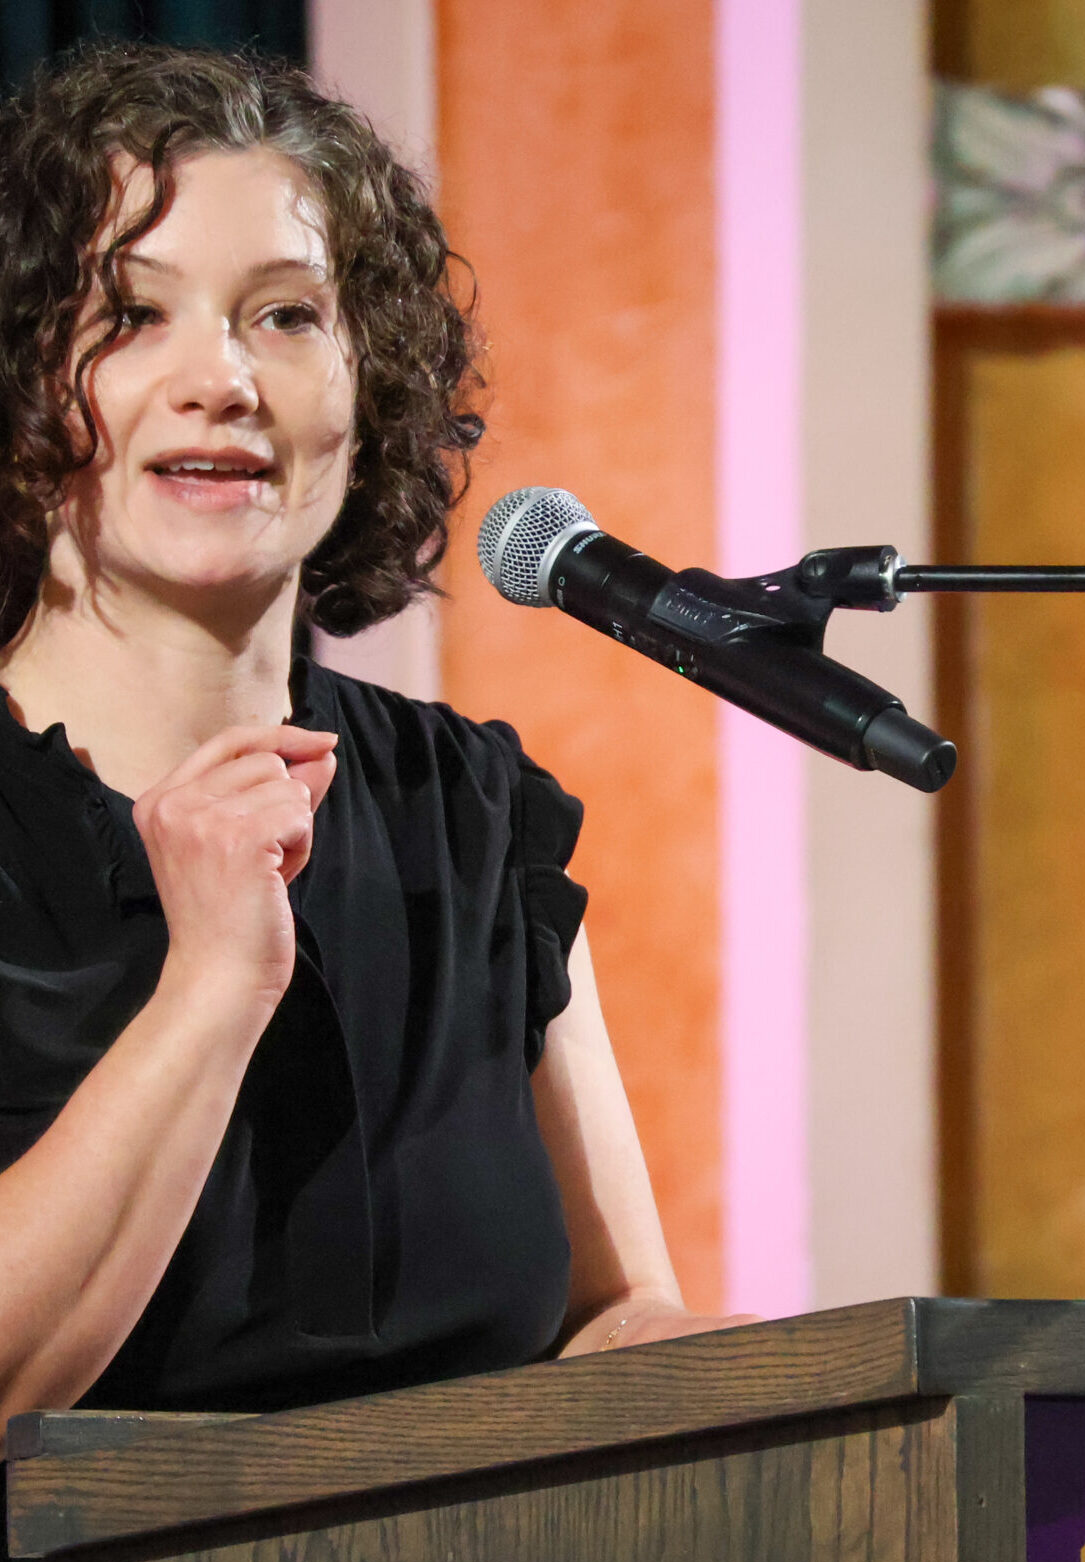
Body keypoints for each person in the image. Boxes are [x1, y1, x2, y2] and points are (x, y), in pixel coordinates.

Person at [0, 41, 738, 1428]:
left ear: (370, 386)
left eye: (284, 316)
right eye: (130, 315)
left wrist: (783, 1385)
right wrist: (215, 982)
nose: (220, 380)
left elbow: (608, 1313)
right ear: (28, 383)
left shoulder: (473, 812)